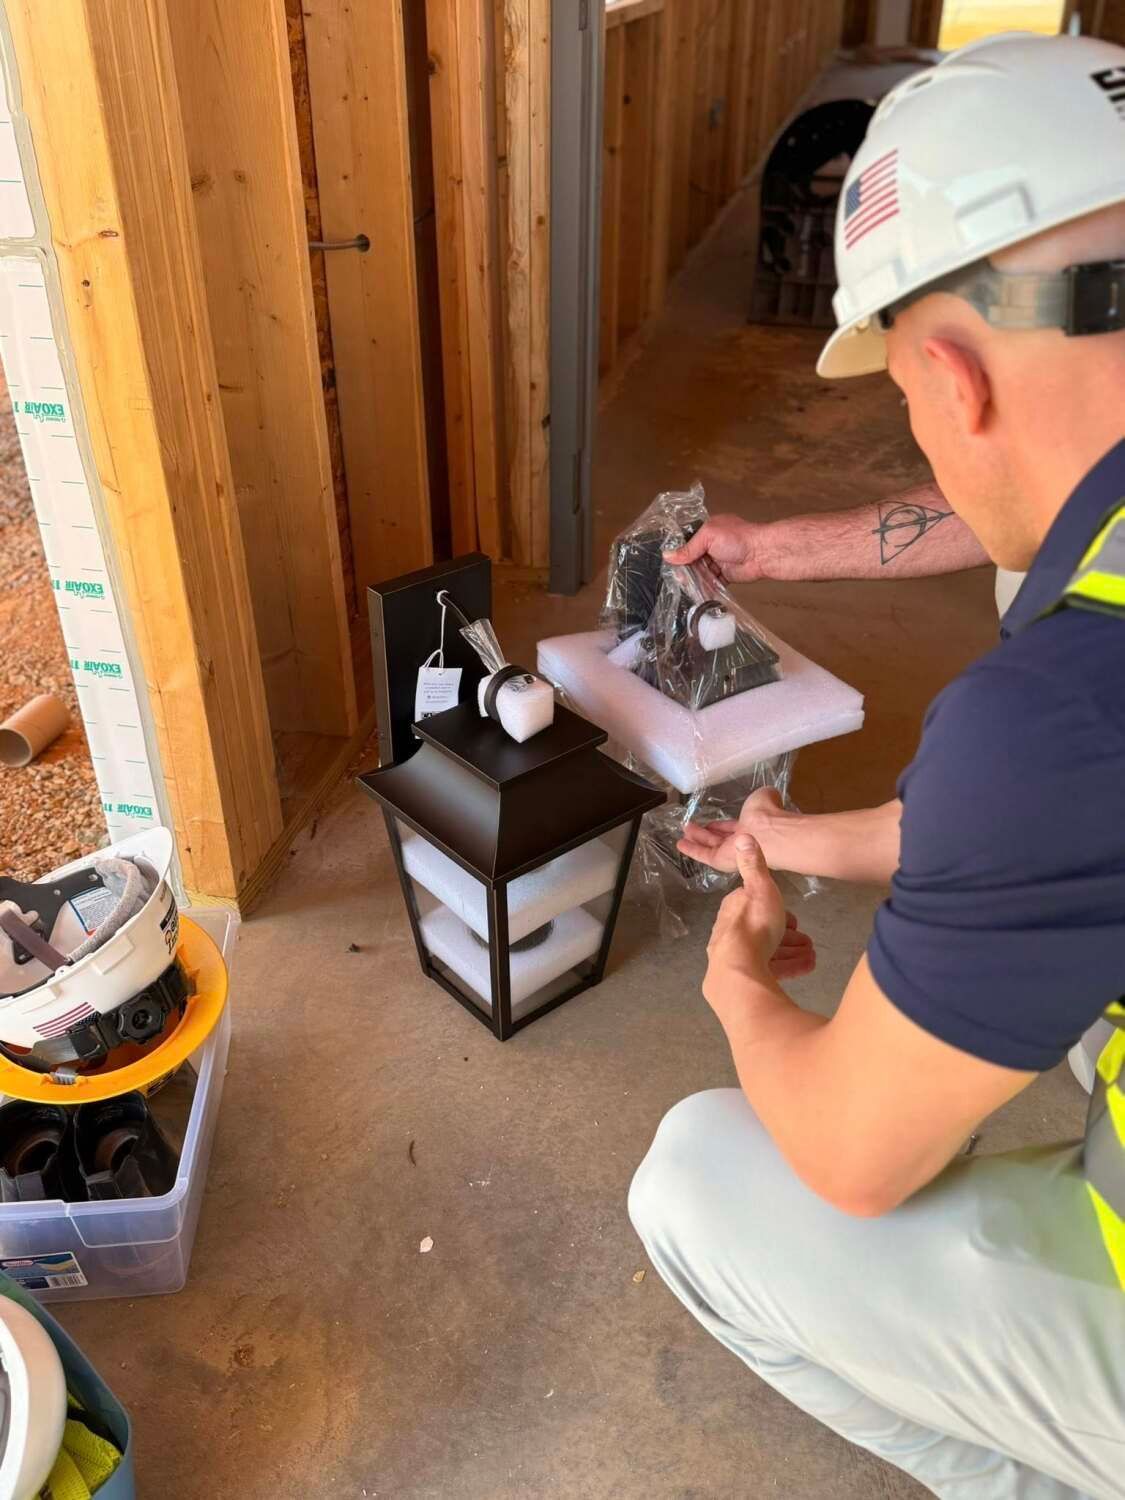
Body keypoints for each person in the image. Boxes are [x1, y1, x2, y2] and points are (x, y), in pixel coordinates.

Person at [629, 32, 1125, 1500]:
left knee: (704, 1177)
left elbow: (851, 1156)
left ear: (944, 375)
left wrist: (733, 991)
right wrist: (815, 836)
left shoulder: (1065, 719)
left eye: (902, 398)